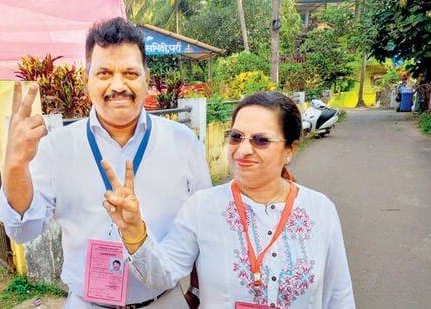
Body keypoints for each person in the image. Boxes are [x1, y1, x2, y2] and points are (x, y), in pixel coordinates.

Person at [0, 17, 211, 309]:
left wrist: (198, 292)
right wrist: (15, 167)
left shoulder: (183, 142)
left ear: (146, 77)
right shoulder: (55, 148)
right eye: (105, 73)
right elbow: (23, 231)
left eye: (130, 72)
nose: (118, 85)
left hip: (165, 300)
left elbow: (205, 226)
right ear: (87, 80)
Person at [102, 92, 356, 308]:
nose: (243, 150)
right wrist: (133, 230)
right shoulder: (202, 207)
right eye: (236, 137)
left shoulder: (319, 210)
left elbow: (339, 297)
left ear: (290, 149)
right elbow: (161, 275)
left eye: (260, 140)